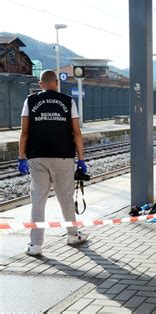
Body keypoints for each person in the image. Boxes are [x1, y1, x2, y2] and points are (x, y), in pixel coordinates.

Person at [18, 70, 89, 256]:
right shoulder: (68, 101)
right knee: (65, 197)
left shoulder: (30, 101)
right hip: (63, 156)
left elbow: (24, 132)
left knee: (38, 200)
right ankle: (73, 235)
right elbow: (77, 132)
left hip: (37, 157)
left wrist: (21, 157)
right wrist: (81, 159)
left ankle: (35, 245)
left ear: (41, 84)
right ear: (56, 83)